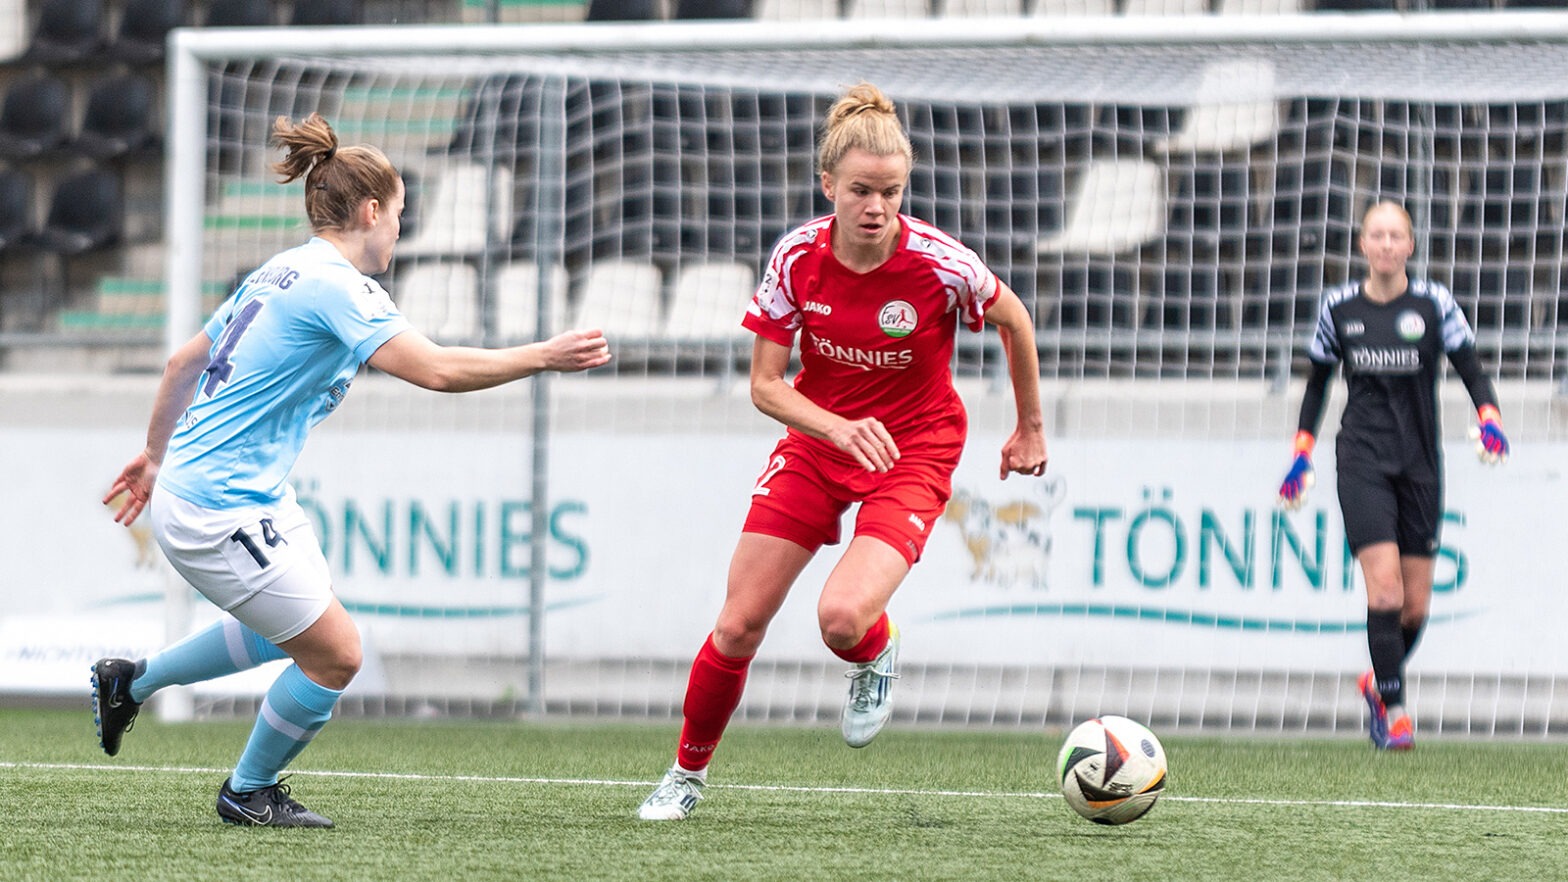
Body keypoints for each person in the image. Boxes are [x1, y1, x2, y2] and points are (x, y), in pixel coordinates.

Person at [91, 113, 612, 827]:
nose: (401, 229)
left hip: (232, 489)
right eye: (399, 214)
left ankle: (132, 684)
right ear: (371, 212)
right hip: (219, 505)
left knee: (300, 632)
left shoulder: (281, 268)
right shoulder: (337, 285)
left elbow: (184, 362)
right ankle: (247, 792)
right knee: (336, 655)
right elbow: (434, 370)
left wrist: (154, 454)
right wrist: (542, 355)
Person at [636, 82, 1048, 821]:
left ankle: (873, 655)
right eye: (860, 190)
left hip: (914, 450)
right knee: (737, 623)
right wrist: (832, 426)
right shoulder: (797, 258)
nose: (876, 207)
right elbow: (766, 386)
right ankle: (684, 778)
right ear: (828, 185)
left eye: (891, 191)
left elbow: (1014, 318)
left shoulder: (940, 263)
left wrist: (1030, 428)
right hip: (819, 444)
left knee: (842, 619)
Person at [1277, 200, 1508, 752]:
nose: (1385, 244)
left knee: (1415, 605)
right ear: (1362, 245)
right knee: (1383, 588)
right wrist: (1301, 453)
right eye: (1376, 235)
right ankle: (1396, 711)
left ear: (1409, 246)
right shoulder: (1339, 307)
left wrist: (1491, 418)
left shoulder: (1434, 304)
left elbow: (1471, 369)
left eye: (1395, 235)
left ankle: (1379, 680)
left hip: (1421, 463)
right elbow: (1317, 384)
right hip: (1361, 460)